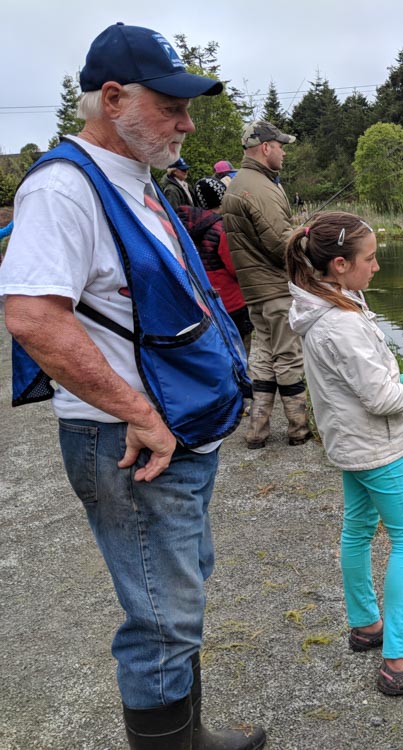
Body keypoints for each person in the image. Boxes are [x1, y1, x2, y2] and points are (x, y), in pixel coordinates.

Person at [0, 22, 264, 750]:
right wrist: (140, 413)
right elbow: (29, 314)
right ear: (111, 98)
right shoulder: (63, 187)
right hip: (126, 439)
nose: (186, 123)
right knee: (161, 615)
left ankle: (191, 735)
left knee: (179, 594)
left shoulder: (138, 179)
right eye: (171, 106)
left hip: (174, 435)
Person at [285, 211, 403, 701]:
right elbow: (378, 400)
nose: (378, 266)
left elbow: (366, 380)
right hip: (372, 446)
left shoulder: (331, 304)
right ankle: (399, 664)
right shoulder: (339, 323)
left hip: (351, 441)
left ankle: (367, 625)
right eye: (371, 258)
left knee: (359, 530)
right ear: (340, 264)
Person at [221, 120, 311, 449]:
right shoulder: (259, 187)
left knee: (262, 354)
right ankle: (298, 428)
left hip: (253, 290)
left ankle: (257, 430)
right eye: (281, 146)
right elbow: (281, 244)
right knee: (287, 355)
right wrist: (309, 241)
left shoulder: (238, 183)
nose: (284, 152)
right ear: (266, 148)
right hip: (274, 289)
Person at [179, 177, 254, 358]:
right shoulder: (221, 228)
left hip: (201, 300)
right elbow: (235, 268)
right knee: (241, 350)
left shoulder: (184, 226)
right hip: (231, 301)